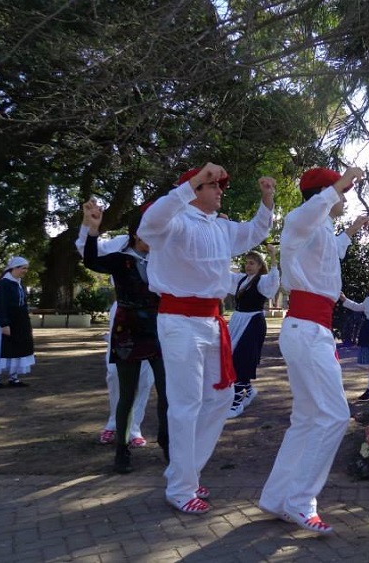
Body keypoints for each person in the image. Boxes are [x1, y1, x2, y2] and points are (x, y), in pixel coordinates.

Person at [138, 164, 274, 514]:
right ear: (196, 188)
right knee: (185, 405)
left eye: (219, 187)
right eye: (213, 186)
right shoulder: (174, 221)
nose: (220, 191)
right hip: (179, 320)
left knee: (221, 397)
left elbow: (256, 231)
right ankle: (181, 488)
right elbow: (148, 225)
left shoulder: (220, 226)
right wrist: (189, 183)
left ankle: (184, 472)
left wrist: (267, 199)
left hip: (211, 322)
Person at [259, 166, 368, 535]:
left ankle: (277, 498)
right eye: (342, 192)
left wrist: (352, 232)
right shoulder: (301, 220)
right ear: (327, 193)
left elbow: (332, 250)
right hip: (306, 329)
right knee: (335, 415)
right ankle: (300, 501)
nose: (347, 197)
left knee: (307, 418)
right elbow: (307, 212)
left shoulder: (319, 229)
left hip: (312, 329)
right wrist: (339, 183)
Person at [81, 200, 169, 472]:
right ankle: (122, 449)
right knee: (127, 393)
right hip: (127, 330)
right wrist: (92, 229)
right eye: (149, 234)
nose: (153, 240)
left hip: (159, 329)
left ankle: (168, 446)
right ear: (135, 234)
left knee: (167, 393)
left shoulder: (163, 259)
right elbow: (91, 259)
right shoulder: (121, 260)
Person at [75, 216, 154, 447]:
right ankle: (114, 423)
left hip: (154, 314)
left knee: (145, 376)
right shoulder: (119, 244)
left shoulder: (164, 245)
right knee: (114, 372)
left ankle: (134, 428)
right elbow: (87, 252)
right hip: (124, 312)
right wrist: (89, 225)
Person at [227, 245, 280, 418]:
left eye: (252, 263)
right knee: (234, 356)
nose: (248, 266)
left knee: (242, 359)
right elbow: (223, 275)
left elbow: (273, 282)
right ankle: (248, 391)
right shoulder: (241, 280)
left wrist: (273, 256)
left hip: (252, 322)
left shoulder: (262, 281)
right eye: (246, 263)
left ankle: (236, 403)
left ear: (259, 266)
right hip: (238, 321)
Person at [0, 256, 35, 388]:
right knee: (0, 348)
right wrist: (3, 323)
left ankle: (13, 378)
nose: (25, 271)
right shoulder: (4, 284)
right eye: (23, 268)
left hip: (19, 322)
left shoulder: (19, 283)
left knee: (17, 348)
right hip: (5, 321)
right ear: (14, 268)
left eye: (26, 268)